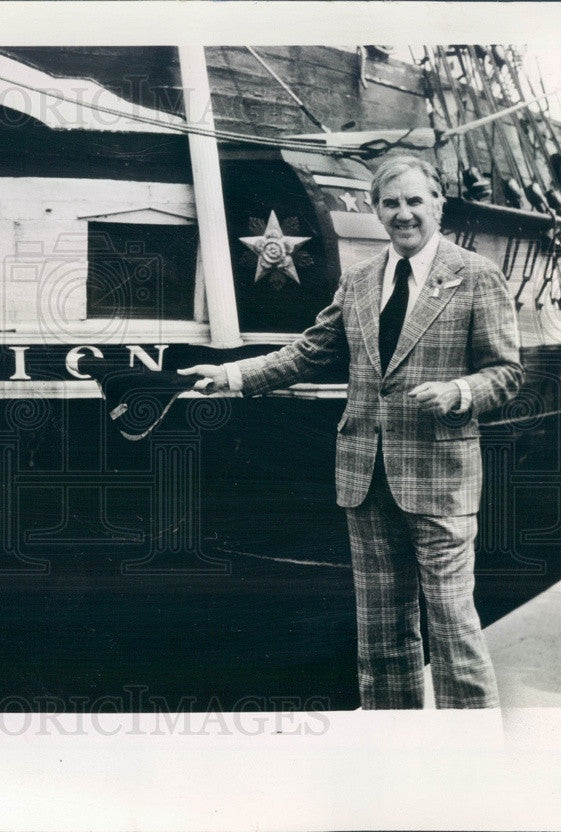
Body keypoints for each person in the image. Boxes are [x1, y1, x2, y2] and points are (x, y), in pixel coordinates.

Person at [179, 155, 523, 709]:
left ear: (438, 204)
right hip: (365, 479)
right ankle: (394, 754)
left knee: (454, 629)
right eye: (392, 203)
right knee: (382, 635)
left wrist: (458, 393)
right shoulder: (361, 280)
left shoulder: (475, 275)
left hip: (438, 478)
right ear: (375, 209)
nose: (404, 214)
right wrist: (231, 375)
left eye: (415, 201)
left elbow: (506, 373)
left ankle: (471, 764)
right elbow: (309, 351)